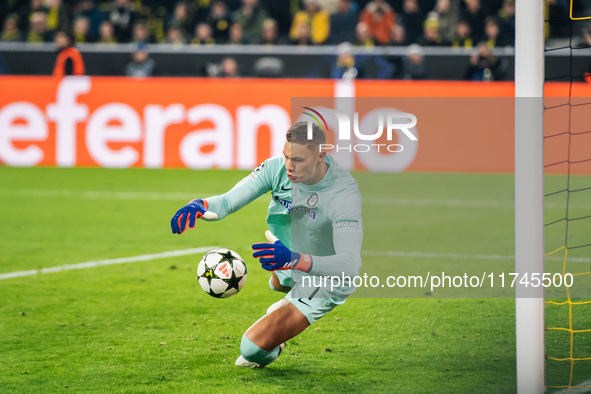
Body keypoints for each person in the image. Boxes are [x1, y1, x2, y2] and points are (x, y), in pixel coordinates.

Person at [170, 121, 363, 368]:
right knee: (278, 283)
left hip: (324, 277)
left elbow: (349, 263)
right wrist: (200, 204)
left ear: (320, 156)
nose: (290, 167)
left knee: (251, 350)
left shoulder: (343, 194)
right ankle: (285, 301)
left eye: (299, 160)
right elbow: (228, 202)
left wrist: (295, 259)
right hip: (286, 255)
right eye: (286, 157)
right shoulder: (276, 169)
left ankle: (280, 329)